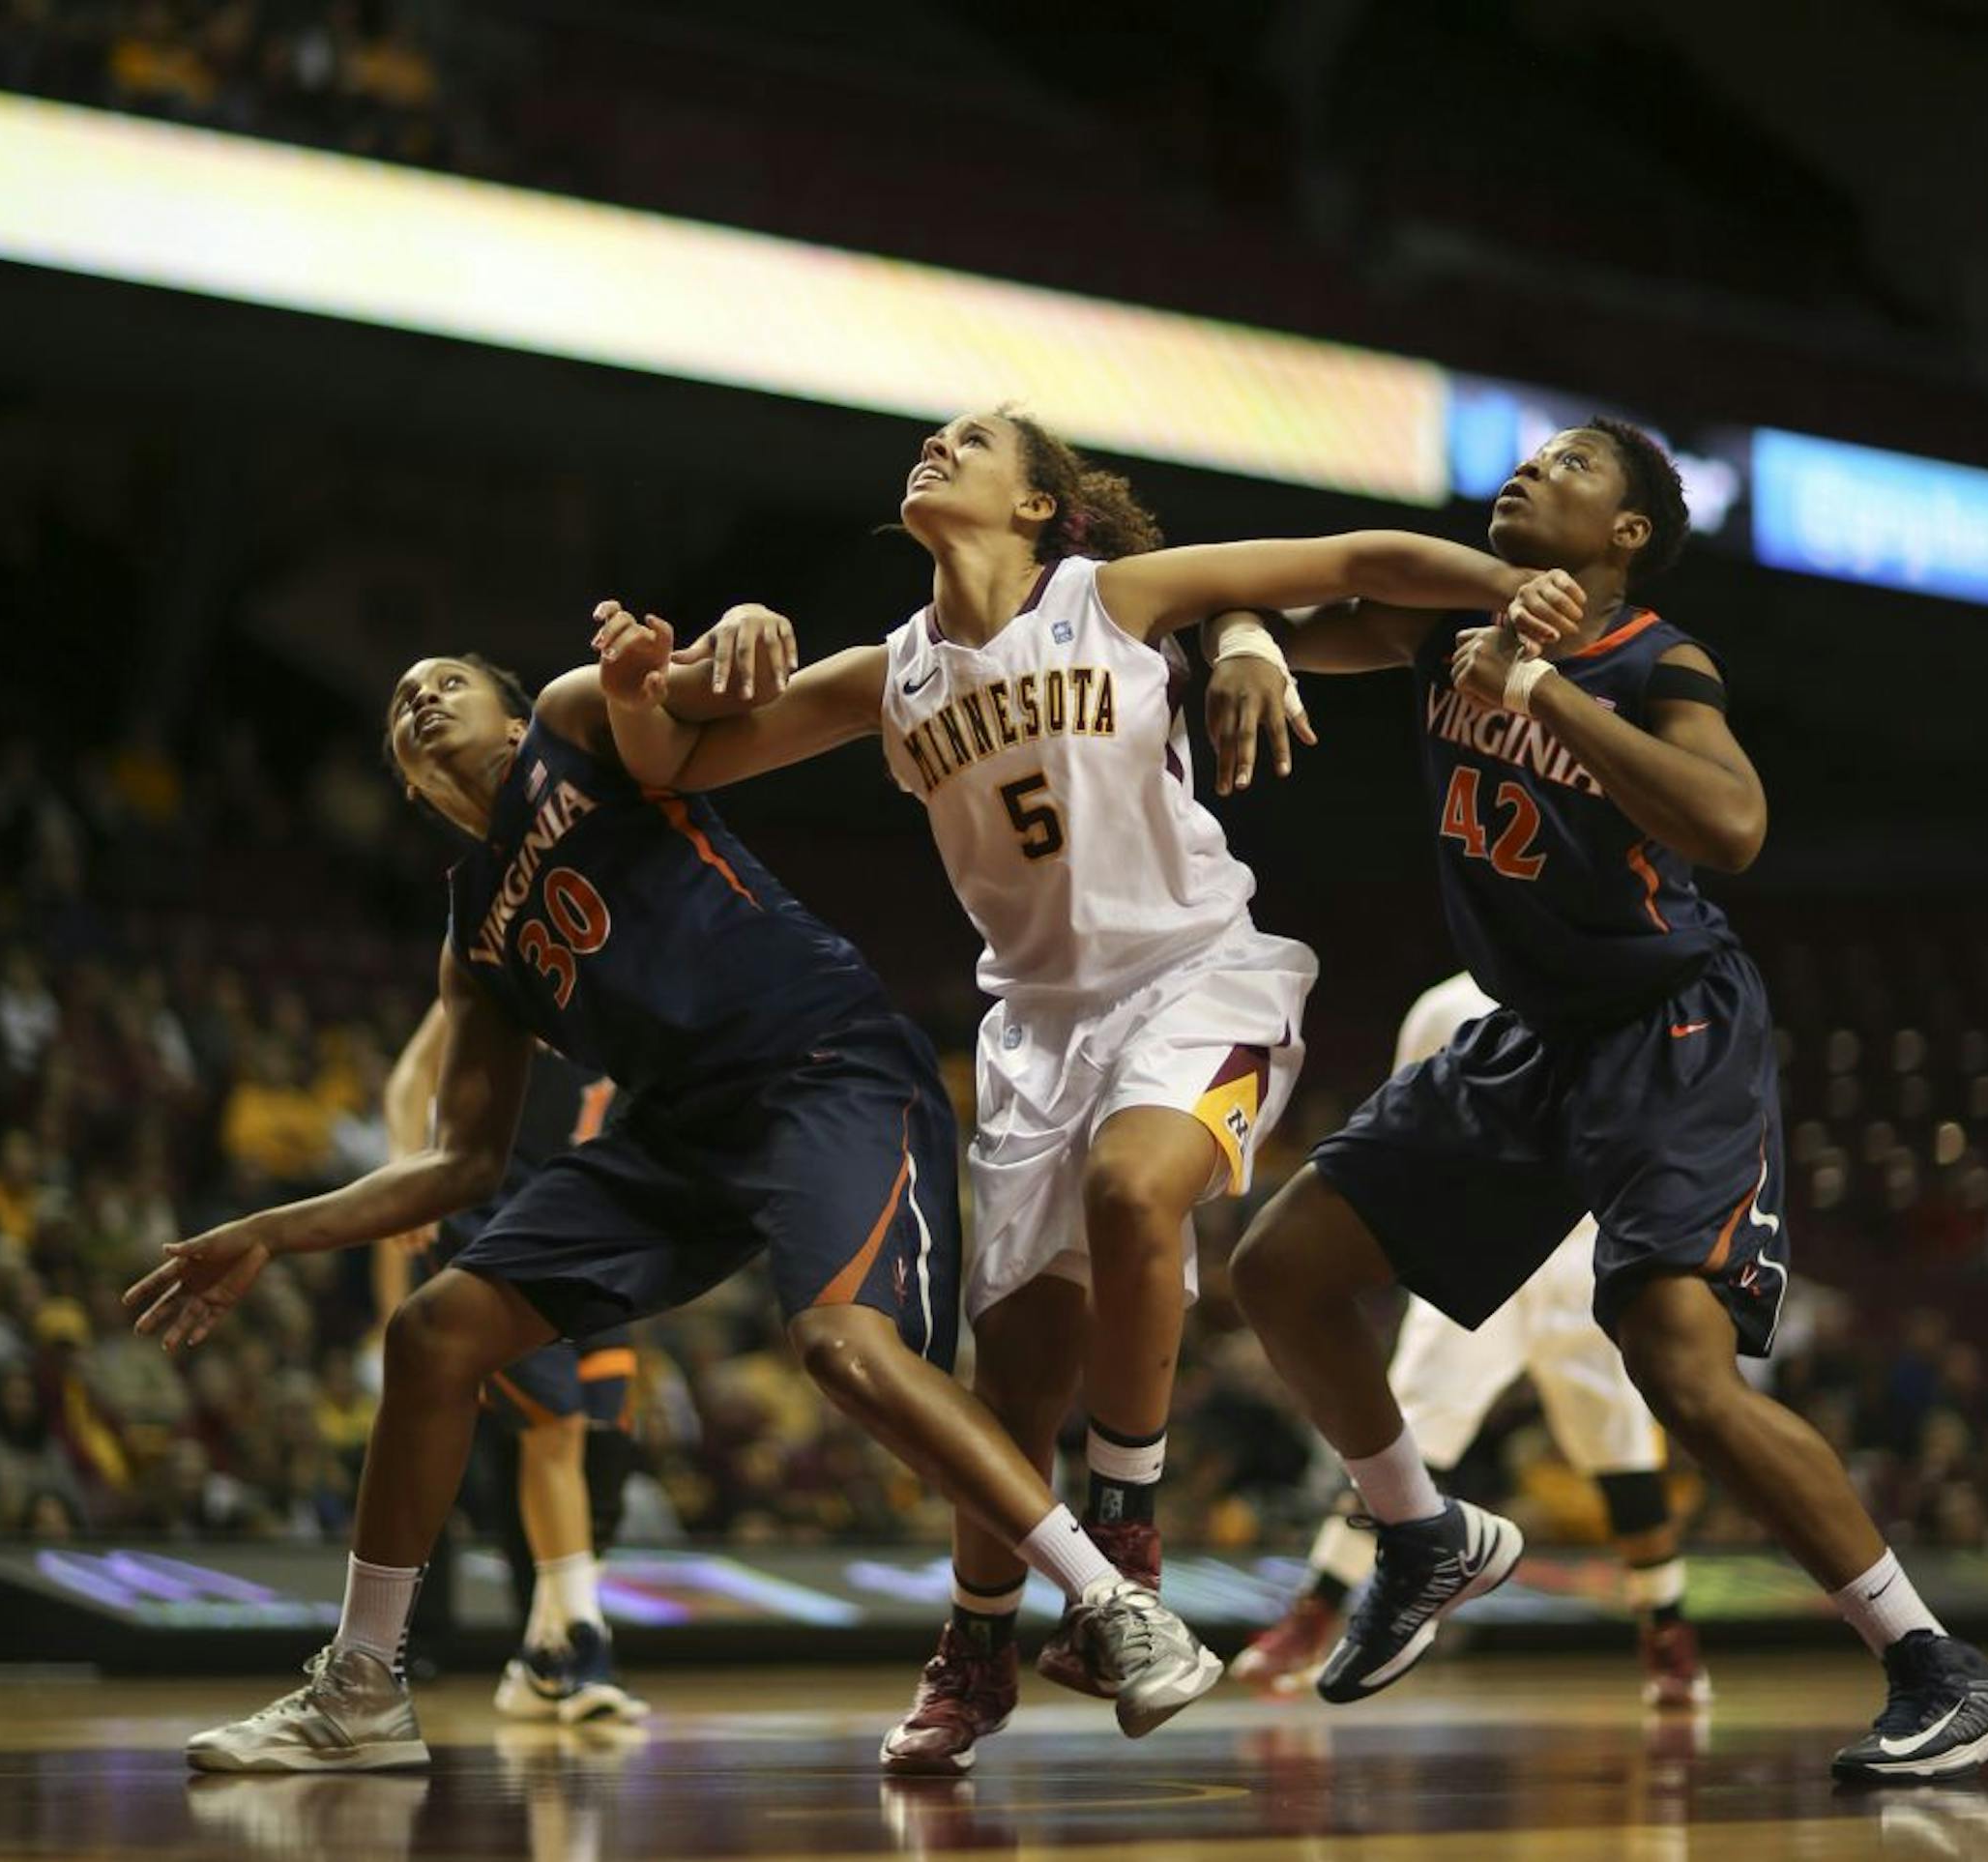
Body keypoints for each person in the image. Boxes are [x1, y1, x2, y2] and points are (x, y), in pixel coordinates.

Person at [586, 404, 1582, 1774]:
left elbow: (1353, 555)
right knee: (1014, 1384)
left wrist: (1505, 587)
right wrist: (663, 676)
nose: (937, 447)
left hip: (1197, 975)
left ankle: (1123, 1534)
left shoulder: (1112, 597)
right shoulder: (892, 672)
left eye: (974, 442)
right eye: (933, 438)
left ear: (1041, 505)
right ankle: (977, 1649)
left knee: (1137, 1187)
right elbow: (678, 767)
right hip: (1035, 1031)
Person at [126, 642, 1225, 1772]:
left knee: (843, 1349)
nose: (418, 694)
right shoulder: (474, 935)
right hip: (678, 1133)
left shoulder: (566, 724)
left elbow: (700, 699)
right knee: (434, 1333)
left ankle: (1113, 1604)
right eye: (402, 698)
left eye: (448, 680)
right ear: (410, 787)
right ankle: (360, 1685)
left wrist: (729, 637)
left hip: (822, 1064)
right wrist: (269, 1228)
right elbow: (458, 1162)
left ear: (509, 724)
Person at [1204, 420, 1988, 1783]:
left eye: (1572, 465)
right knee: (1282, 1266)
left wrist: (1541, 689)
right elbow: (1240, 587)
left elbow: (1735, 825)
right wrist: (1245, 634)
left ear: (1628, 533)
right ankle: (1421, 1533)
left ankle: (1936, 1664)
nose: (1531, 470)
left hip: (1671, 1021)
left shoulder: (1656, 655)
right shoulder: (1441, 622)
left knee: (1678, 1366)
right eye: (1527, 458)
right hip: (1530, 1032)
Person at [1232, 971, 1709, 1708]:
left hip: (1588, 1251)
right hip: (1476, 1252)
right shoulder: (1446, 1006)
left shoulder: (1615, 991)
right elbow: (1398, 1138)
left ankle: (1669, 1640)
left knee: (1624, 1457)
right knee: (1400, 1441)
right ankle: (1312, 1618)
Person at [373, 1001, 645, 1724]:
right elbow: (408, 1083)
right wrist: (407, 1169)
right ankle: (584, 1652)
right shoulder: (511, 962)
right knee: (553, 1433)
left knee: (609, 1445)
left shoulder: (648, 988)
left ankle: (541, 1656)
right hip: (496, 1228)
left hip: (590, 1232)